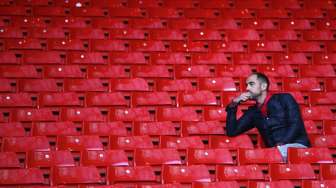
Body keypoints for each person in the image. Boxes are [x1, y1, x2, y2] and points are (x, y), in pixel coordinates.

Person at [225, 72, 311, 161]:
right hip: (274, 153)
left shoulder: (284, 98)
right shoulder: (253, 112)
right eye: (247, 85)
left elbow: (296, 123)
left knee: (263, 157)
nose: (247, 88)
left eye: (251, 84)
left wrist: (281, 144)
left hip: (296, 146)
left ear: (263, 86)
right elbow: (232, 131)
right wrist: (234, 103)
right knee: (250, 159)